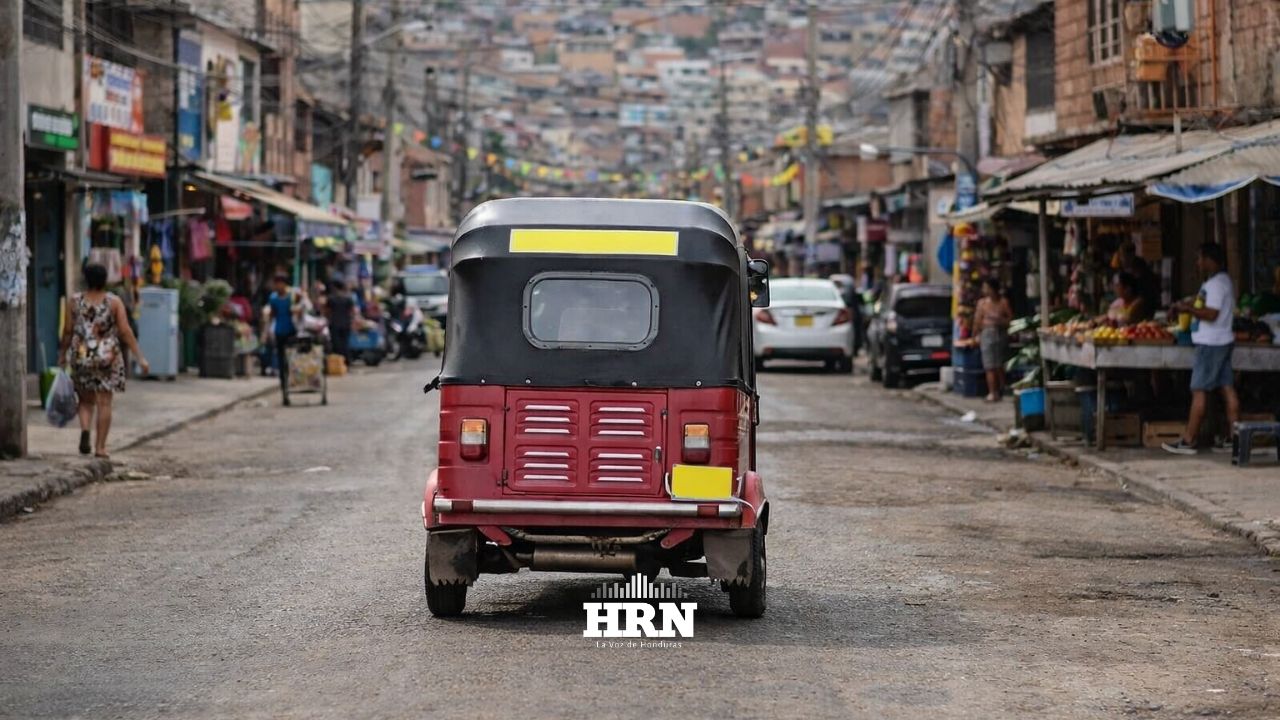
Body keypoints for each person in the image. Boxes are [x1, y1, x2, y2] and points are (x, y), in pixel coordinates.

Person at [58, 263, 150, 458]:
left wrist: (62, 355)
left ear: (86, 279)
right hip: (107, 356)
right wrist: (140, 357)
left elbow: (67, 331)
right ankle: (100, 448)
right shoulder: (114, 302)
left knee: (85, 400)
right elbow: (125, 331)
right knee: (105, 403)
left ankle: (85, 431)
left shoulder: (74, 301)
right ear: (105, 280)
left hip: (82, 354)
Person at [1163, 243, 1239, 455]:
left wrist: (1187, 308)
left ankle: (1189, 440)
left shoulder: (1215, 285)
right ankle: (1235, 438)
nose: (1197, 263)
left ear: (1209, 260)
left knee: (1199, 390)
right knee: (1227, 388)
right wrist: (1187, 304)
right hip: (1221, 340)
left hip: (1211, 343)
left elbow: (1211, 313)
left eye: (1199, 258)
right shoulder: (1223, 281)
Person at [261, 273, 304, 405]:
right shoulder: (273, 298)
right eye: (276, 283)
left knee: (292, 361)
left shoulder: (293, 295)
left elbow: (301, 309)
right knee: (281, 363)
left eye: (280, 283)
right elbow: (272, 315)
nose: (278, 286)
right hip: (279, 332)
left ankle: (292, 385)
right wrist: (266, 331)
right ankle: (284, 392)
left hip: (292, 331)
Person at [974, 279, 1013, 402]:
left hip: (1000, 335)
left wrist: (1000, 321)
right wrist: (976, 335)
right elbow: (977, 321)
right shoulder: (982, 304)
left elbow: (1011, 319)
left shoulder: (1003, 302)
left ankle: (1002, 388)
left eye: (987, 288)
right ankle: (993, 392)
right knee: (990, 365)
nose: (985, 290)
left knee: (999, 364)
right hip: (987, 334)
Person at [325, 277, 358, 361]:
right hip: (346, 324)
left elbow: (327, 312)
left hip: (335, 324)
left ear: (335, 287)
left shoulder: (331, 298)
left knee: (336, 344)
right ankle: (346, 362)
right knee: (345, 343)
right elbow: (353, 311)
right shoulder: (348, 298)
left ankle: (338, 362)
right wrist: (352, 321)